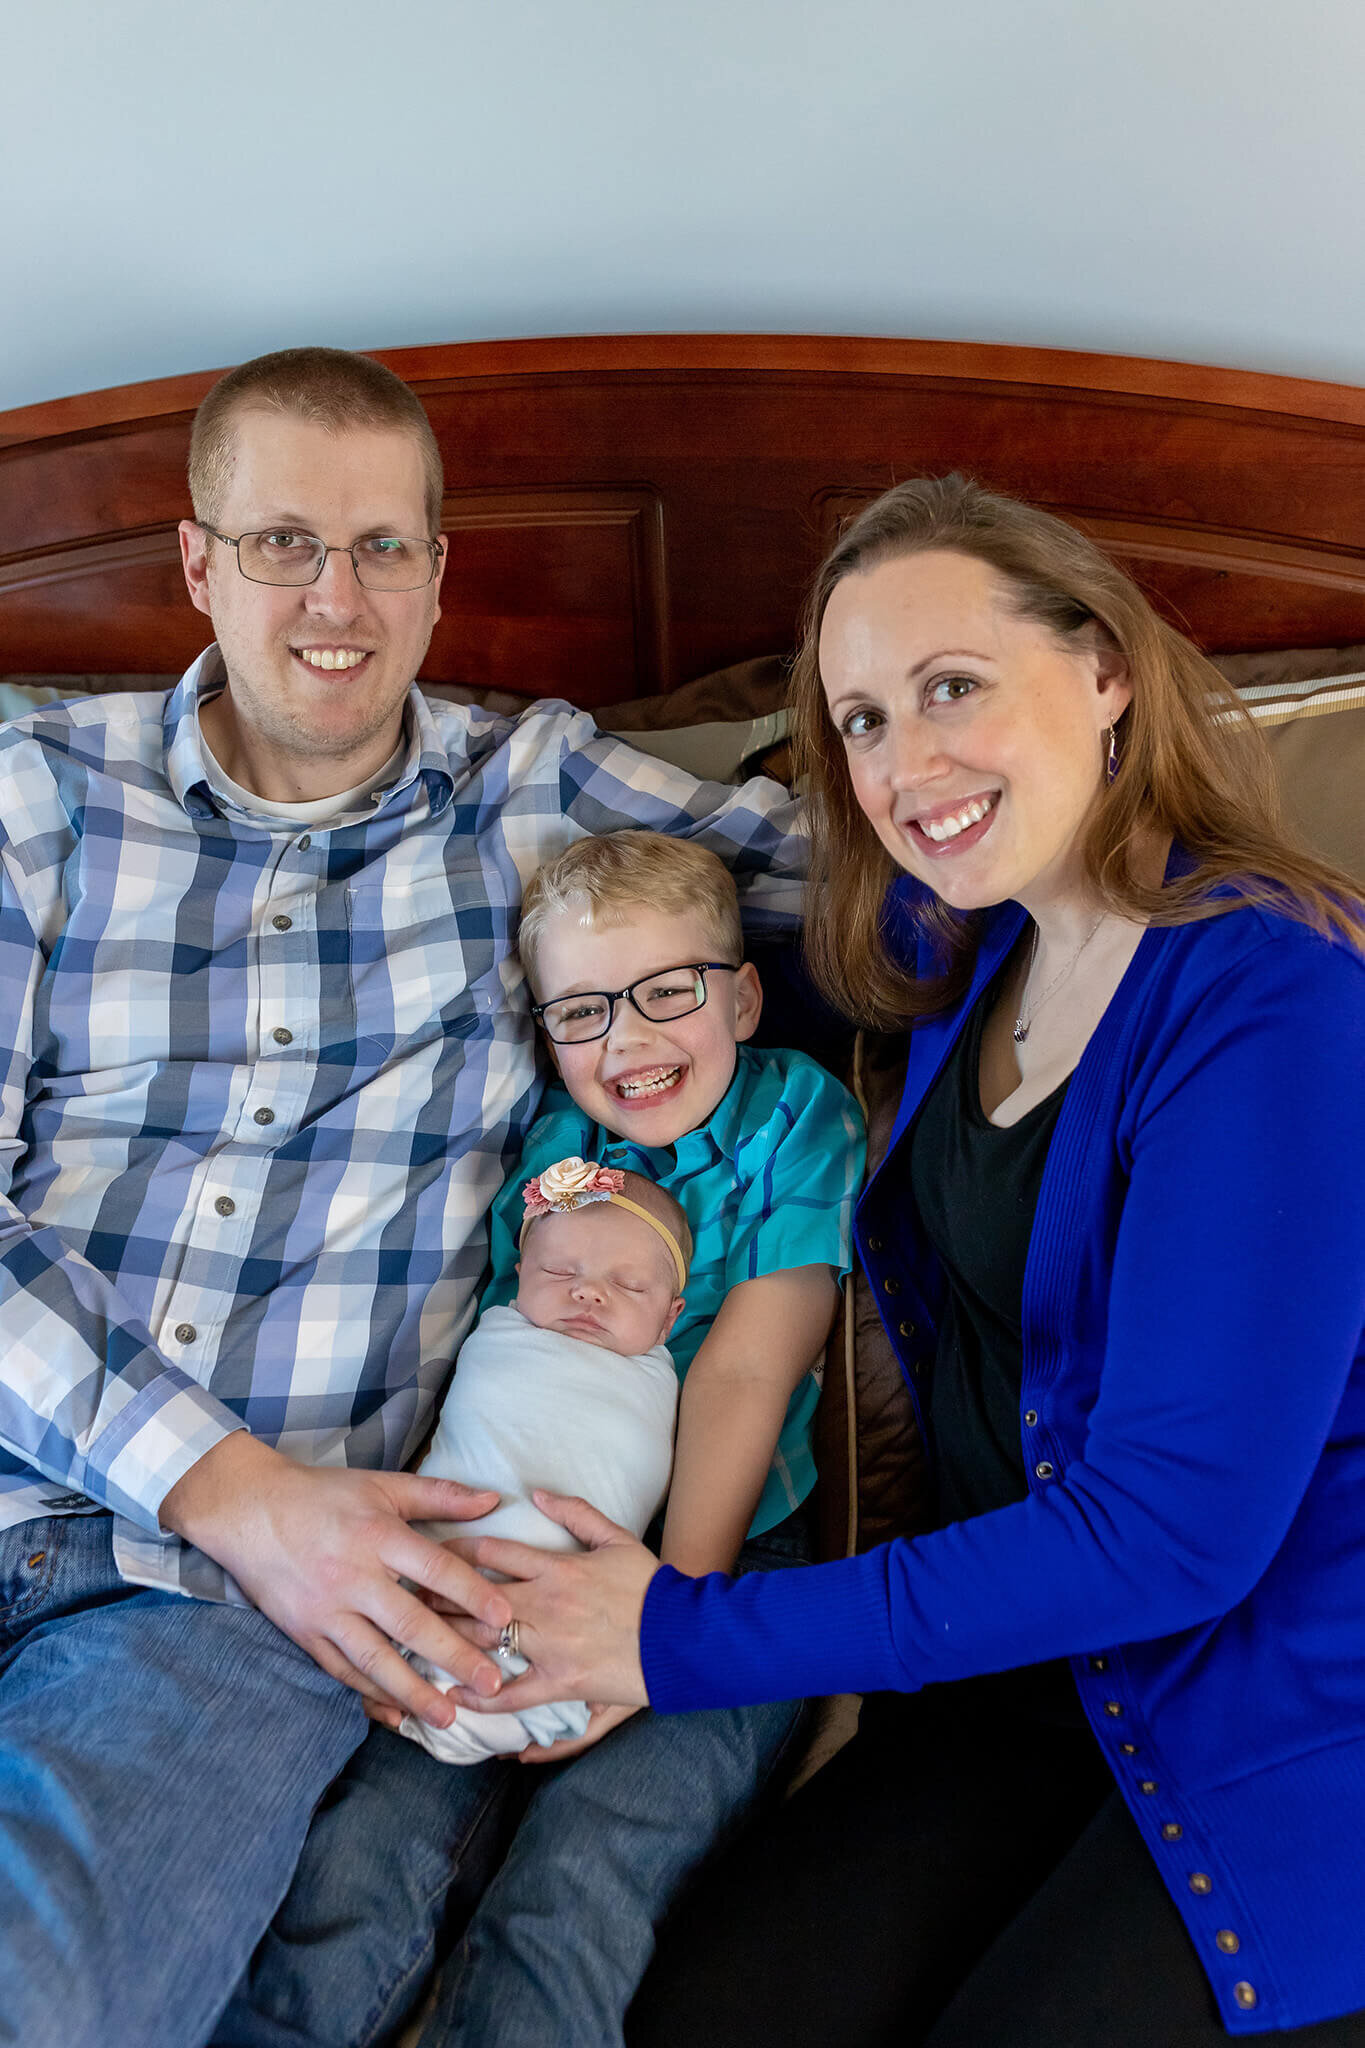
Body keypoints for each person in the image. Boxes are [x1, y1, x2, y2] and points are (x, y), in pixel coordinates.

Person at [445, 478, 1365, 2044]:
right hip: (1033, 1661)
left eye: (953, 689)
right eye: (860, 721)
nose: (904, 765)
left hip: (1279, 1687)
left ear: (1104, 673)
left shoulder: (1275, 1005)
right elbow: (665, 968)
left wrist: (672, 1634)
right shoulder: (967, 948)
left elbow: (1174, 1535)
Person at [0, 345, 809, 2048]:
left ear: (444, 574)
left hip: (212, 1617)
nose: (335, 601)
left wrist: (1188, 897)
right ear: (198, 562)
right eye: (284, 542)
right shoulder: (35, 803)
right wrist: (224, 1482)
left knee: (44, 1991)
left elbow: (902, 864)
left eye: (384, 547)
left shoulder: (533, 794)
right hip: (178, 1495)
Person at [217, 829, 866, 2048]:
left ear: (743, 992)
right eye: (581, 1013)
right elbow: (512, 1352)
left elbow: (743, 1364)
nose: (627, 1042)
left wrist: (672, 1613)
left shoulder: (796, 1115)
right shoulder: (562, 1155)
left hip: (726, 1565)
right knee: (363, 1856)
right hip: (510, 1538)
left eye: (667, 991)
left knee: (581, 1875)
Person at [402, 1160, 688, 1764]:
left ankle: (477, 1705)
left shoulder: (656, 1377)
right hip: (444, 1545)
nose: (588, 1292)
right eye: (559, 1271)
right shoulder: (499, 1331)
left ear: (670, 1318)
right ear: (520, 1275)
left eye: (630, 1285)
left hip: (575, 1592)